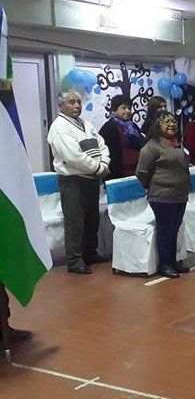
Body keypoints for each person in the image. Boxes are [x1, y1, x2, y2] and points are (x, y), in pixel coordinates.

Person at [47, 90, 110, 274]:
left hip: (91, 180)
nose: (76, 106)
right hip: (73, 181)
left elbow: (102, 146)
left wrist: (104, 162)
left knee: (92, 219)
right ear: (61, 106)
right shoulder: (59, 127)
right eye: (71, 102)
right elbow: (73, 156)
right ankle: (75, 260)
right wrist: (99, 169)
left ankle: (90, 253)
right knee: (75, 221)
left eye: (78, 102)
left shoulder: (86, 124)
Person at [136, 112, 191, 279]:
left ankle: (173, 261)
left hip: (180, 195)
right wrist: (151, 186)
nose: (171, 124)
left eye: (173, 121)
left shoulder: (177, 143)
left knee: (174, 229)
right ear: (157, 126)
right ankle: (165, 264)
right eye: (166, 122)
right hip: (161, 196)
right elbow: (142, 172)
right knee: (165, 230)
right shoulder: (152, 146)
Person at [99, 95, 143, 179]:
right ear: (115, 110)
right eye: (123, 108)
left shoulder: (133, 126)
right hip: (118, 174)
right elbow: (106, 152)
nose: (127, 111)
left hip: (136, 172)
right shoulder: (109, 127)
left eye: (129, 108)